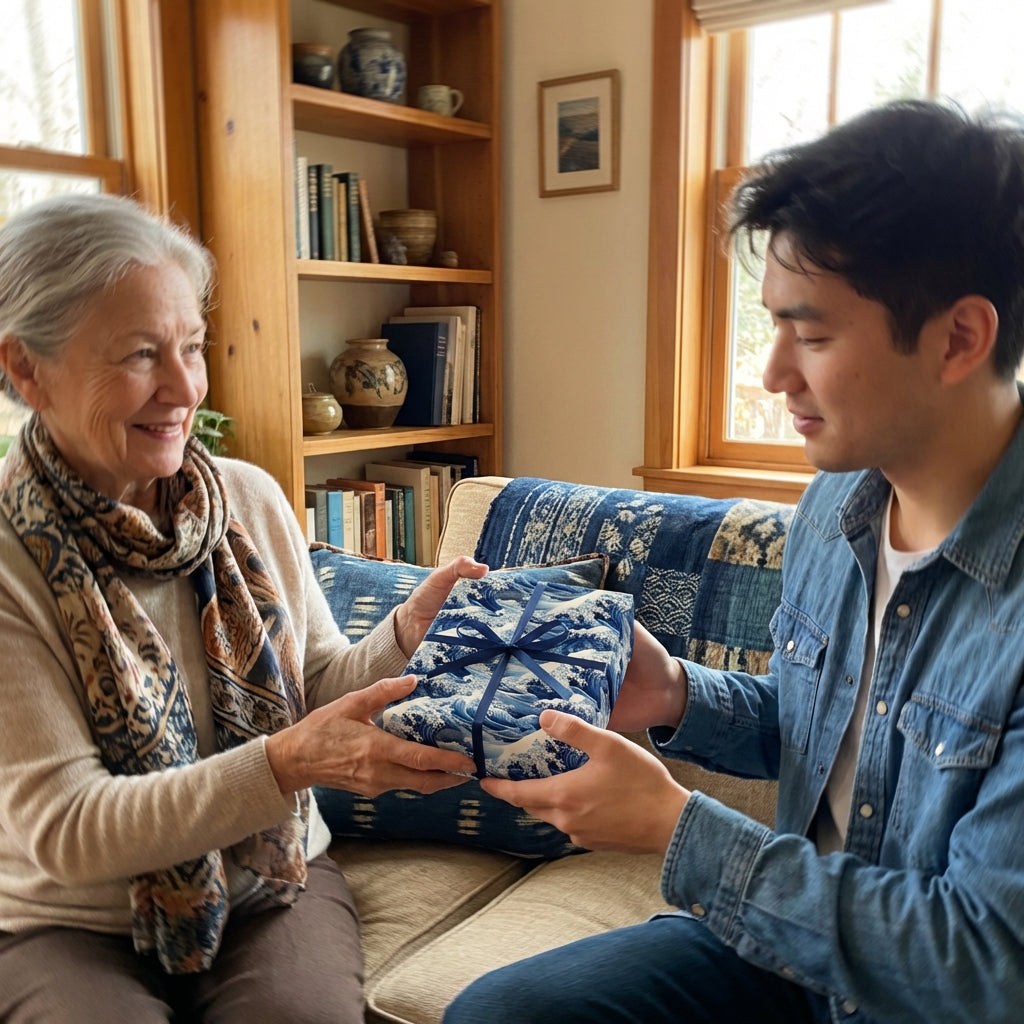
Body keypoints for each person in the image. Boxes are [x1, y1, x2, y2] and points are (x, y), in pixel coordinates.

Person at [443, 99, 1024, 1024]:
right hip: (789, 951)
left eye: (816, 334)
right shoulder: (840, 499)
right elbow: (821, 725)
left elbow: (984, 963)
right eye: (774, 328)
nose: (773, 373)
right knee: (500, 1016)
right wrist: (672, 689)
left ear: (960, 338)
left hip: (926, 992)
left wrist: (680, 828)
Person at [0, 192, 486, 1023]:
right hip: (69, 920)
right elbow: (69, 827)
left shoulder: (249, 502)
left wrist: (404, 635)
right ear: (25, 370)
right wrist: (286, 766)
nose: (184, 386)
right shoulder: (11, 560)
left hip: (268, 881)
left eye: (191, 346)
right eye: (140, 355)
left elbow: (320, 684)